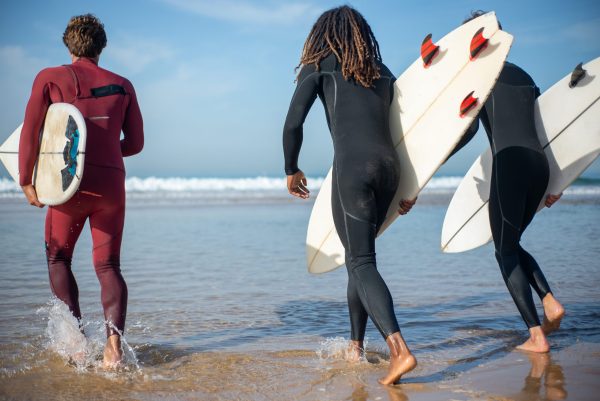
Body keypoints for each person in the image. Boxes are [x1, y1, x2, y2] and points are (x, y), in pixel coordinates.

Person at [282, 6, 417, 384]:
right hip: (391, 171)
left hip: (353, 169)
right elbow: (407, 131)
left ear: (323, 34)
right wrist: (412, 187)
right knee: (358, 259)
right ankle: (355, 346)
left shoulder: (319, 65)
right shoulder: (382, 71)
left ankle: (400, 351)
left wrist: (291, 169)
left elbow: (293, 123)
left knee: (361, 262)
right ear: (361, 34)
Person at [19, 14, 144, 367]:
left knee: (58, 258)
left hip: (69, 182)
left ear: (68, 44)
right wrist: (104, 154)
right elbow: (136, 143)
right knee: (108, 265)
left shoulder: (50, 77)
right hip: (111, 185)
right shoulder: (124, 85)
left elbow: (31, 132)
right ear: (101, 47)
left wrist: (26, 179)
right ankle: (114, 349)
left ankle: (77, 342)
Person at [450, 10, 565, 353]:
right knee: (511, 245)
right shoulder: (526, 76)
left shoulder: (480, 77)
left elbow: (468, 130)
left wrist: (435, 157)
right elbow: (546, 131)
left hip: (509, 165)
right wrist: (558, 183)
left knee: (504, 252)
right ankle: (549, 302)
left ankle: (536, 336)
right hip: (540, 168)